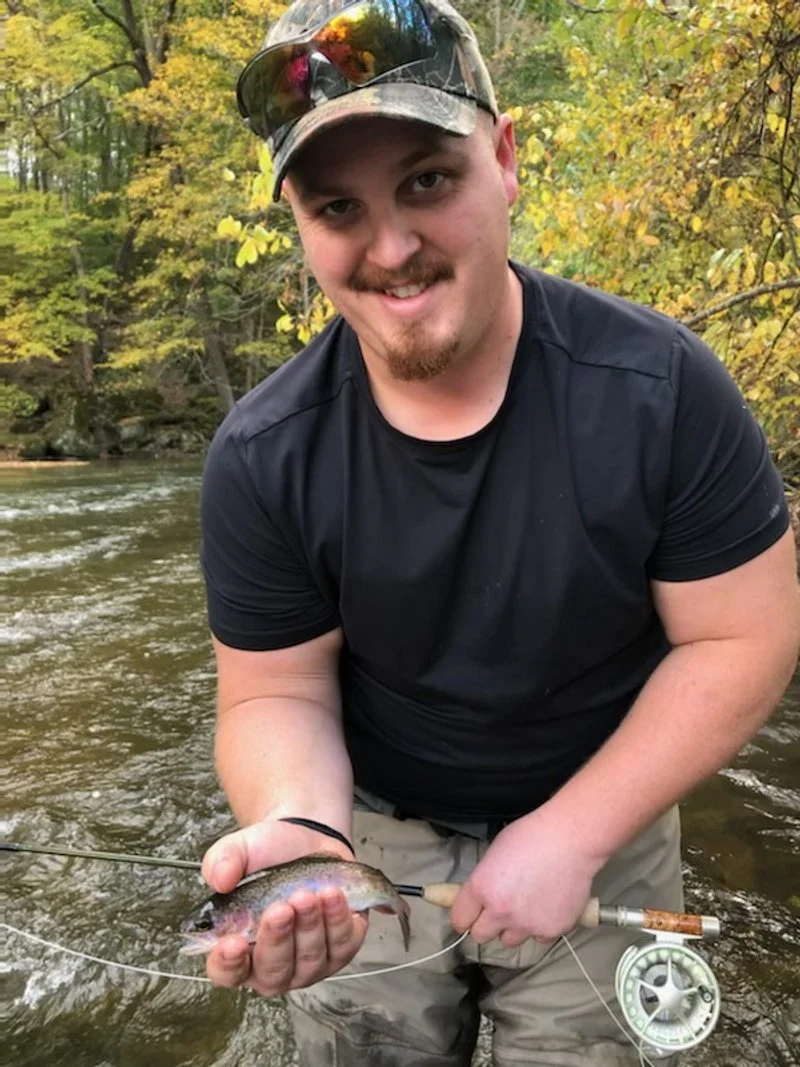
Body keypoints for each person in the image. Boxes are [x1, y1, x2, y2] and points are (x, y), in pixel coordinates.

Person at [197, 1, 800, 1063]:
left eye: (427, 181)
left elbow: (744, 636)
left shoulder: (661, 392)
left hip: (603, 795)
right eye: (339, 207)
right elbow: (275, 690)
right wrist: (302, 830)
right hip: (370, 815)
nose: (390, 248)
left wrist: (569, 833)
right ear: (301, 225)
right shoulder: (261, 456)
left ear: (505, 159)